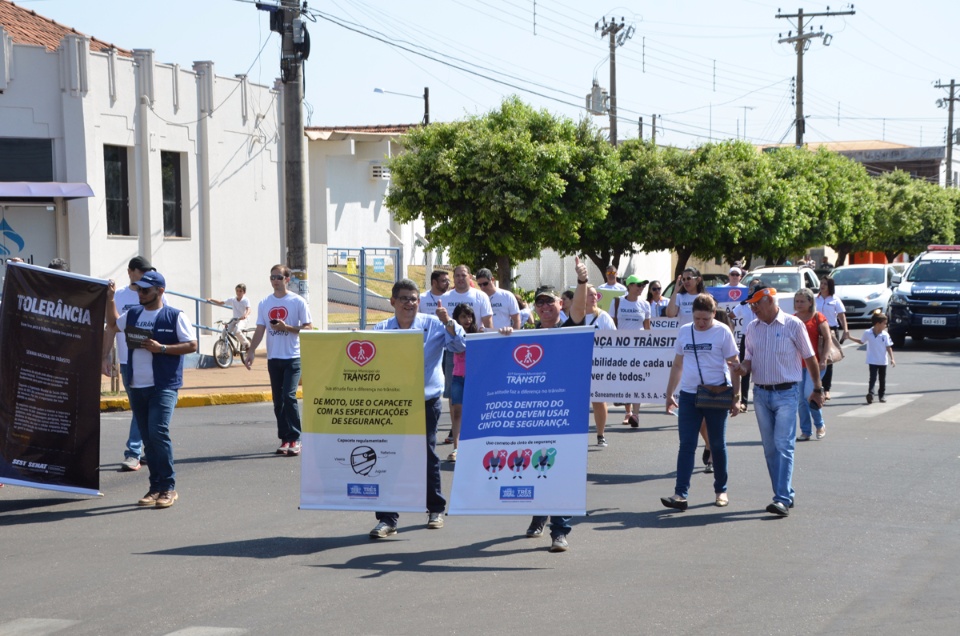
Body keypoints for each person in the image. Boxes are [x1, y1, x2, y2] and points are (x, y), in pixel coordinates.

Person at [368, 278, 466, 538]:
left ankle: (435, 509)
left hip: (426, 400)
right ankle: (388, 519)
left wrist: (448, 322)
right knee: (389, 456)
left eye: (413, 299)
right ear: (392, 302)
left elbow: (460, 346)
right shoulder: (381, 329)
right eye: (403, 299)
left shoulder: (434, 325)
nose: (409, 303)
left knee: (427, 454)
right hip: (392, 402)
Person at [104, 271, 197, 508]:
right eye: (139, 290)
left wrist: (162, 348)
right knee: (148, 438)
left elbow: (192, 345)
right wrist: (110, 299)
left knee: (158, 433)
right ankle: (155, 487)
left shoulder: (174, 315)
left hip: (163, 385)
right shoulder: (133, 313)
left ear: (160, 291)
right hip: (136, 385)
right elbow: (113, 325)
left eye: (145, 290)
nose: (141, 294)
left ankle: (168, 487)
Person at [736, 286, 824, 517]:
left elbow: (810, 357)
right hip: (761, 394)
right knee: (770, 448)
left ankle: (781, 498)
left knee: (784, 445)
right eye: (751, 305)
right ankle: (784, 493)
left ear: (770, 301)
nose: (753, 309)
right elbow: (749, 360)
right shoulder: (752, 328)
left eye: (756, 304)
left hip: (787, 392)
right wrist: (741, 368)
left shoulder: (793, 325)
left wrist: (817, 388)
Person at [662, 293, 741, 510]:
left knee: (717, 444)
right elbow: (678, 364)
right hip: (688, 395)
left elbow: (734, 365)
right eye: (697, 318)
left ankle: (721, 490)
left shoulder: (722, 332)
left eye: (705, 319)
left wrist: (736, 397)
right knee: (686, 445)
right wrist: (669, 393)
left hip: (716, 394)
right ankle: (680, 494)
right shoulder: (685, 331)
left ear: (714, 314)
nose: (701, 323)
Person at [243, 265, 313, 456]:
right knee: (278, 401)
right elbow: (260, 329)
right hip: (274, 358)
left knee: (289, 396)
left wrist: (287, 328)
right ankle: (286, 439)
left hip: (292, 357)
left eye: (279, 277)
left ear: (287, 279)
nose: (275, 281)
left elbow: (308, 328)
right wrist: (251, 351)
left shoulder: (298, 302)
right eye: (272, 277)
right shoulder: (265, 302)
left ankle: (296, 438)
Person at [102, 255, 163, 472]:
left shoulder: (155, 293)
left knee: (147, 408)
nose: (145, 277)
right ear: (130, 272)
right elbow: (111, 326)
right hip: (129, 361)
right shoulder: (118, 296)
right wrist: (105, 356)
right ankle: (137, 452)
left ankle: (138, 452)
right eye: (141, 272)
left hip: (152, 360)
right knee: (140, 408)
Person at [566, 283, 616, 447]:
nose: (594, 297)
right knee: (575, 401)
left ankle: (600, 434)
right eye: (590, 295)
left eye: (595, 295)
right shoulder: (573, 317)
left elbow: (616, 341)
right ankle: (573, 436)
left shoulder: (604, 317)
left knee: (598, 401)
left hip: (598, 366)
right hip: (577, 366)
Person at [613, 275, 651, 427]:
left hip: (639, 348)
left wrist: (651, 347)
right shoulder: (617, 302)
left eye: (643, 285)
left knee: (637, 380)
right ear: (629, 286)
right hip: (622, 347)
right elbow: (613, 325)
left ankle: (635, 414)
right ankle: (627, 412)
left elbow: (648, 327)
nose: (641, 287)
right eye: (638, 285)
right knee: (625, 378)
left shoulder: (645, 304)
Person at [793, 288, 831, 441]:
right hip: (797, 365)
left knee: (810, 395)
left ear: (810, 302)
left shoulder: (817, 317)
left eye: (802, 301)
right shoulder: (792, 319)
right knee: (800, 400)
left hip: (815, 364)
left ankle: (820, 424)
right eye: (797, 301)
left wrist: (824, 358)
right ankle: (806, 431)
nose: (799, 304)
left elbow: (828, 338)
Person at [446, 304, 480, 462]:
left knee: (474, 413)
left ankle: (475, 447)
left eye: (469, 316)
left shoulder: (479, 333)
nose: (467, 320)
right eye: (463, 316)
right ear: (456, 318)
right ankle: (457, 448)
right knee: (457, 412)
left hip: (474, 379)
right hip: (458, 377)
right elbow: (459, 348)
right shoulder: (452, 334)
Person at [849, 312, 896, 404]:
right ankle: (870, 394)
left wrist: (892, 358)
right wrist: (849, 337)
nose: (885, 325)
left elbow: (888, 347)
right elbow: (861, 341)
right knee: (872, 378)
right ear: (878, 323)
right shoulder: (868, 333)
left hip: (883, 361)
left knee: (882, 379)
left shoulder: (885, 335)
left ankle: (881, 395)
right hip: (872, 360)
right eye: (884, 323)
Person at [816, 276, 849, 401]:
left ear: (830, 286)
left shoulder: (835, 300)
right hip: (817, 330)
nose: (822, 285)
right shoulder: (815, 299)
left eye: (825, 283)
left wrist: (845, 330)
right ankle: (816, 386)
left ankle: (827, 389)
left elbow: (841, 316)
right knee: (816, 359)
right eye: (821, 283)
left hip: (831, 331)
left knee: (827, 360)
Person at [207, 283, 251, 349]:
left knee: (237, 331)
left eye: (240, 291)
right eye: (237, 291)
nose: (238, 293)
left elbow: (249, 309)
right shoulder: (233, 299)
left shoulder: (246, 300)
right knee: (224, 332)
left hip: (243, 319)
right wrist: (211, 299)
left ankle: (246, 344)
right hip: (235, 319)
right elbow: (221, 302)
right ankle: (224, 351)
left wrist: (245, 315)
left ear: (244, 292)